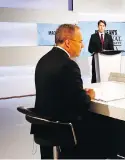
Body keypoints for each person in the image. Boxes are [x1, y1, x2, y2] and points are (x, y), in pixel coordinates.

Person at [31, 24, 95, 159]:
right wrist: (88, 96)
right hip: (62, 130)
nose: (82, 46)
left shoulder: (43, 60)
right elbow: (81, 103)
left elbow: (55, 90)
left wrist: (75, 90)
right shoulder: (69, 65)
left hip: (43, 129)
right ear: (68, 43)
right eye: (80, 41)